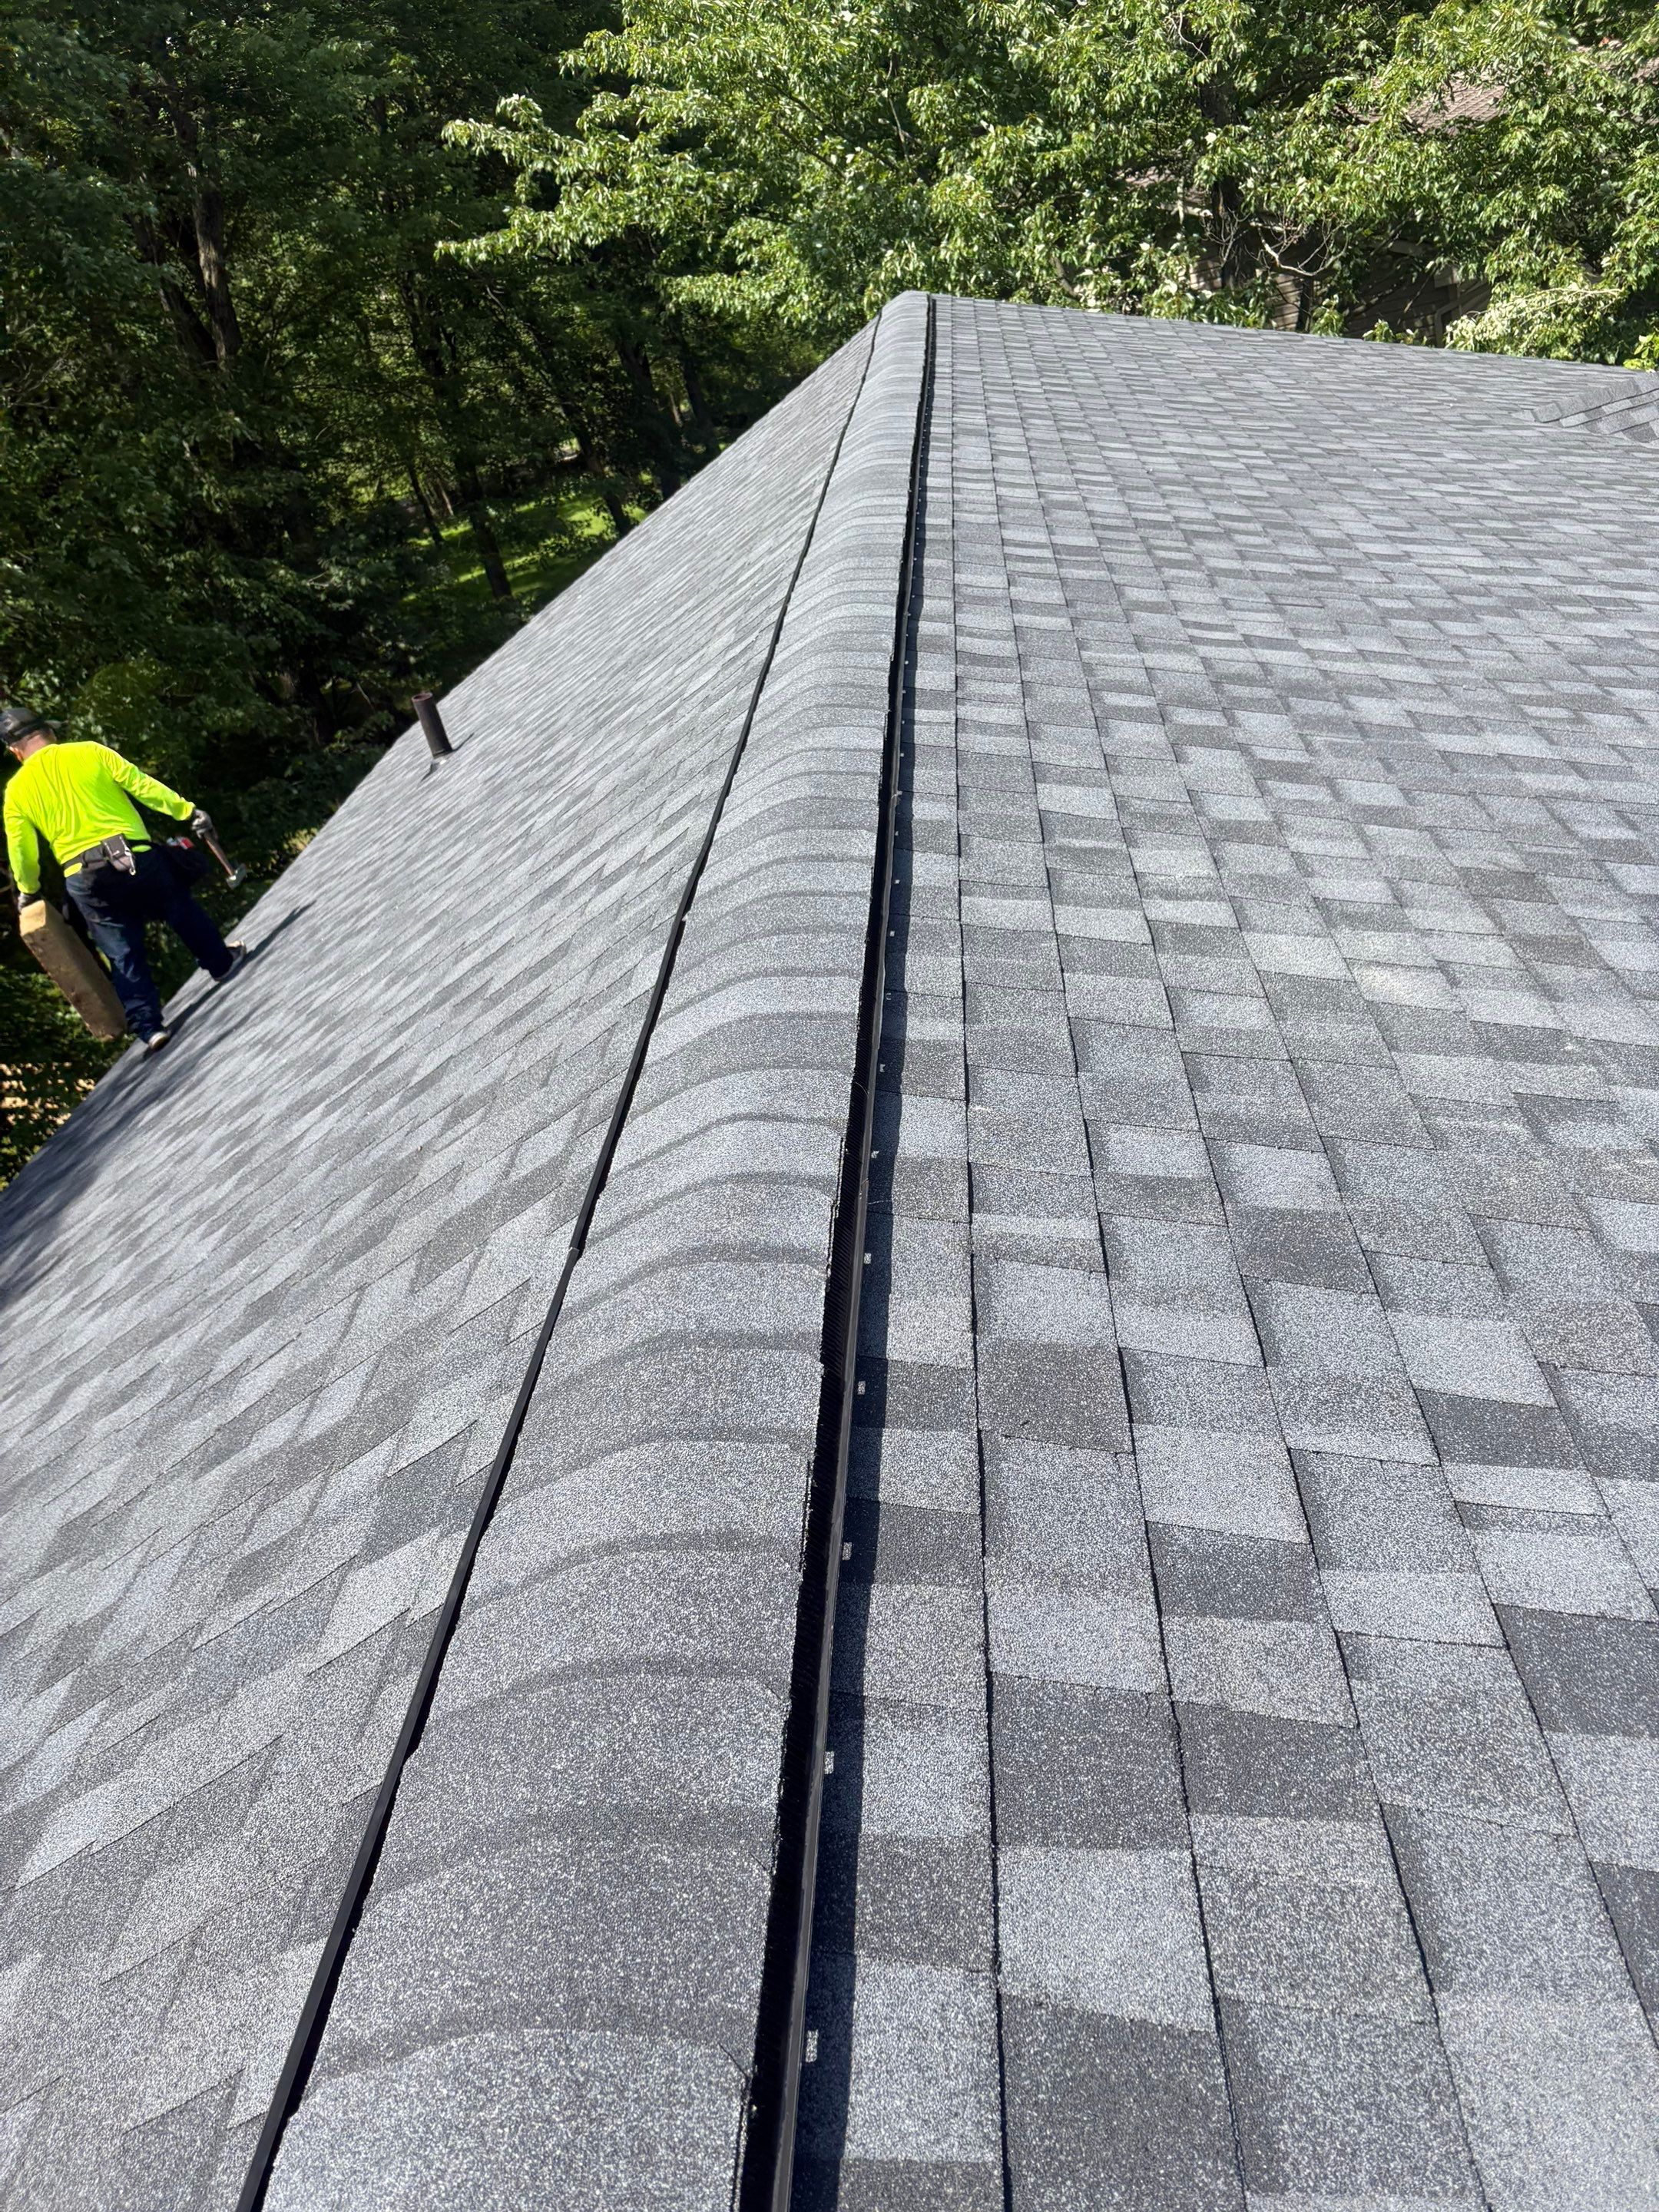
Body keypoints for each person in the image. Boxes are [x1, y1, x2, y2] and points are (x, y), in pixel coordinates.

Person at [2, 705, 245, 1055]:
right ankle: (220, 964)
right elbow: (141, 785)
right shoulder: (89, 751)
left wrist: (28, 891)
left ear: (15, 751)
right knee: (178, 906)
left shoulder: (16, 792)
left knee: (120, 950)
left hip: (84, 878)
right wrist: (187, 811)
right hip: (133, 855)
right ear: (50, 733)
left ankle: (150, 1027)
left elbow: (23, 852)